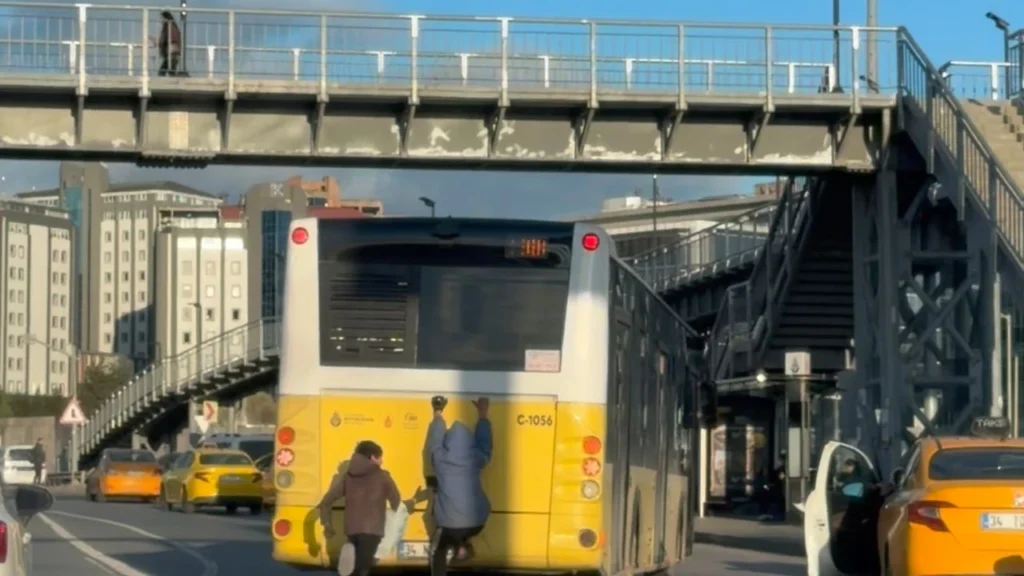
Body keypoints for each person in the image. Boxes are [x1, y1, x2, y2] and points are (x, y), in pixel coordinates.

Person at [425, 395, 492, 576]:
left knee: (438, 549)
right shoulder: (478, 457)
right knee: (461, 530)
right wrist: (483, 414)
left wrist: (438, 413)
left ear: (447, 443)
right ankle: (461, 546)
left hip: (450, 524)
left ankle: (458, 549)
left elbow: (435, 441)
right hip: (477, 522)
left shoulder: (440, 459)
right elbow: (486, 444)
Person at [318, 440, 401, 576]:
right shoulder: (383, 477)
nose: (382, 461)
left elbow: (326, 501)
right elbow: (396, 501)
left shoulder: (348, 477)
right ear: (372, 458)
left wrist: (327, 523)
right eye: (380, 458)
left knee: (356, 566)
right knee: (363, 569)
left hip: (351, 529)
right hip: (373, 530)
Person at [152, 11, 181, 77]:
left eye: (162, 18)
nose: (161, 20)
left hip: (172, 54)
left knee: (163, 72)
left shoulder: (169, 27)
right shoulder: (168, 27)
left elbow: (170, 39)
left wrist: (158, 42)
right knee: (170, 72)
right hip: (171, 54)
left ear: (166, 18)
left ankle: (179, 81)